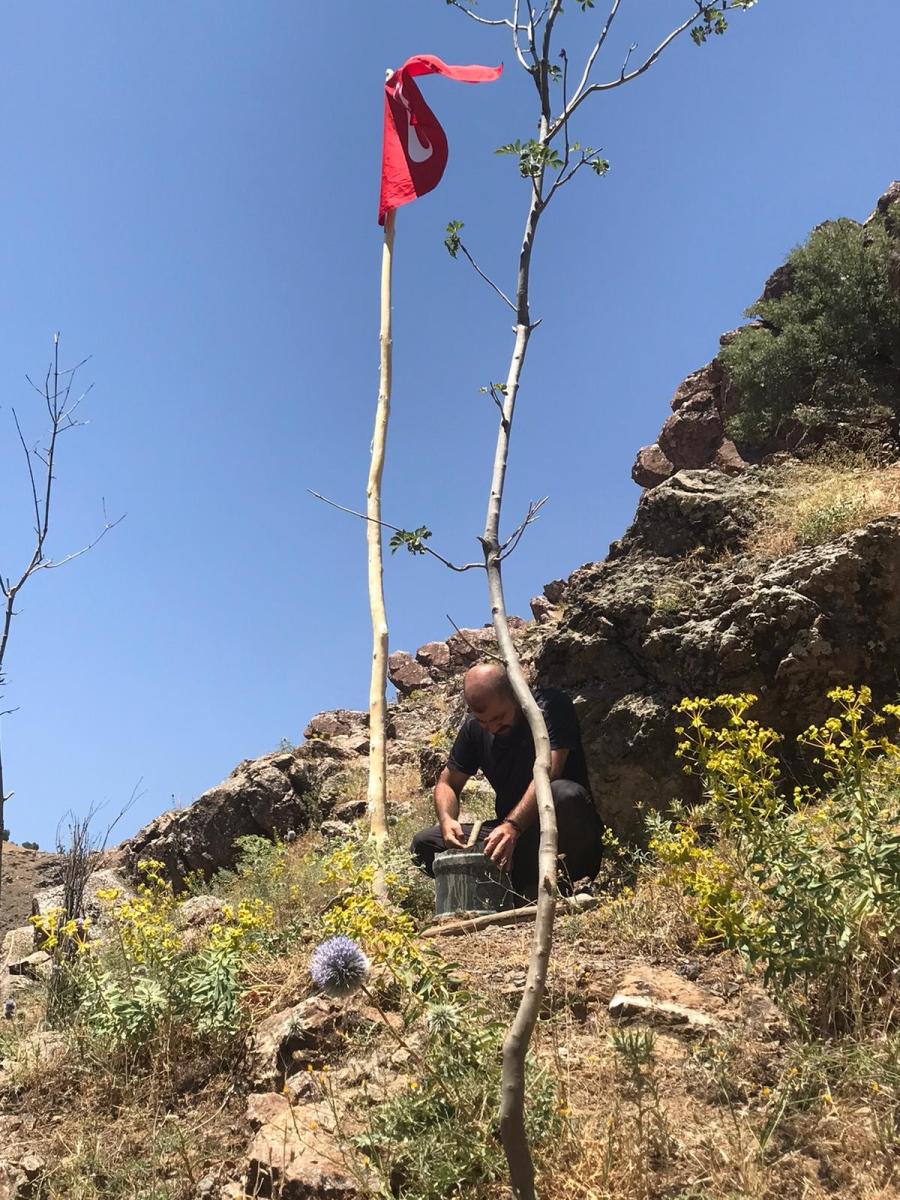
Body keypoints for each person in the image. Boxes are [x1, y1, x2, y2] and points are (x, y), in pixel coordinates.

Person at [410, 663, 604, 901]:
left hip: (560, 834)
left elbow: (550, 771)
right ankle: (504, 894)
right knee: (425, 844)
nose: (492, 727)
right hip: (511, 842)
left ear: (514, 693)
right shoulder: (473, 729)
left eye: (499, 717)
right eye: (484, 722)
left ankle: (569, 884)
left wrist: (513, 826)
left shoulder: (550, 707)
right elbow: (447, 783)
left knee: (565, 794)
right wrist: (447, 819)